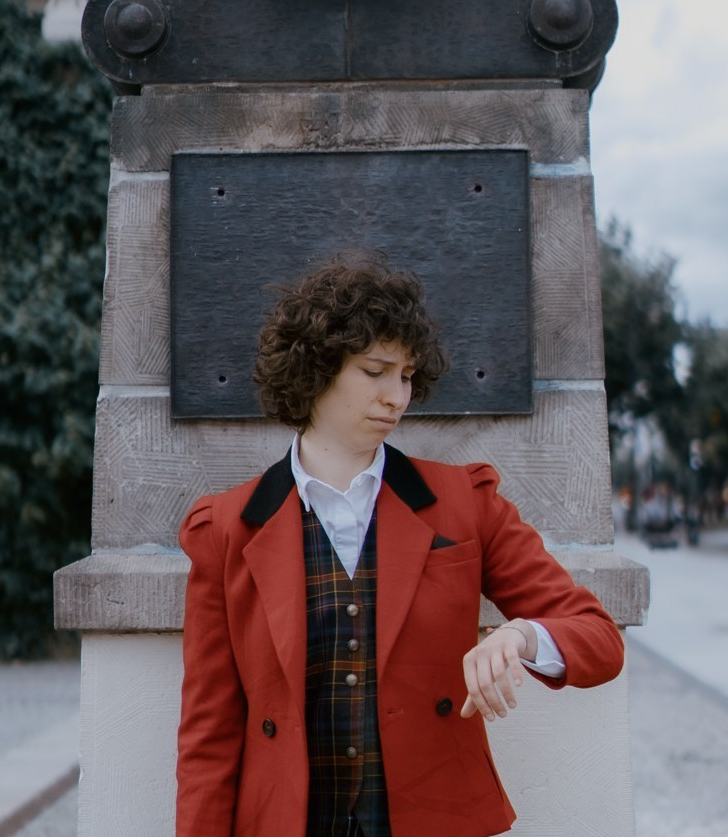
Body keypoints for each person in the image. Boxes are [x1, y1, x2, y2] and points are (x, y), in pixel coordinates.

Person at [175, 254, 624, 837]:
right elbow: (207, 737)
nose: (398, 396)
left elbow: (598, 637)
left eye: (407, 375)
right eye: (376, 371)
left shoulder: (465, 502)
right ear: (316, 369)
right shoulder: (227, 529)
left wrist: (521, 635)